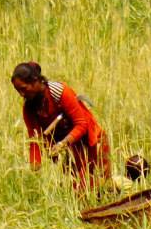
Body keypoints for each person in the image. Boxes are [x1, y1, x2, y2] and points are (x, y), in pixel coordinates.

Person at [11, 61, 111, 194]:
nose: (21, 94)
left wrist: (62, 144)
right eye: (18, 90)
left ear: (35, 81)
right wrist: (35, 168)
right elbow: (35, 140)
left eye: (24, 88)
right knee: (77, 194)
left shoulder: (59, 92)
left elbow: (82, 124)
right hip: (70, 152)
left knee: (100, 189)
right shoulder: (29, 108)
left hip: (91, 144)